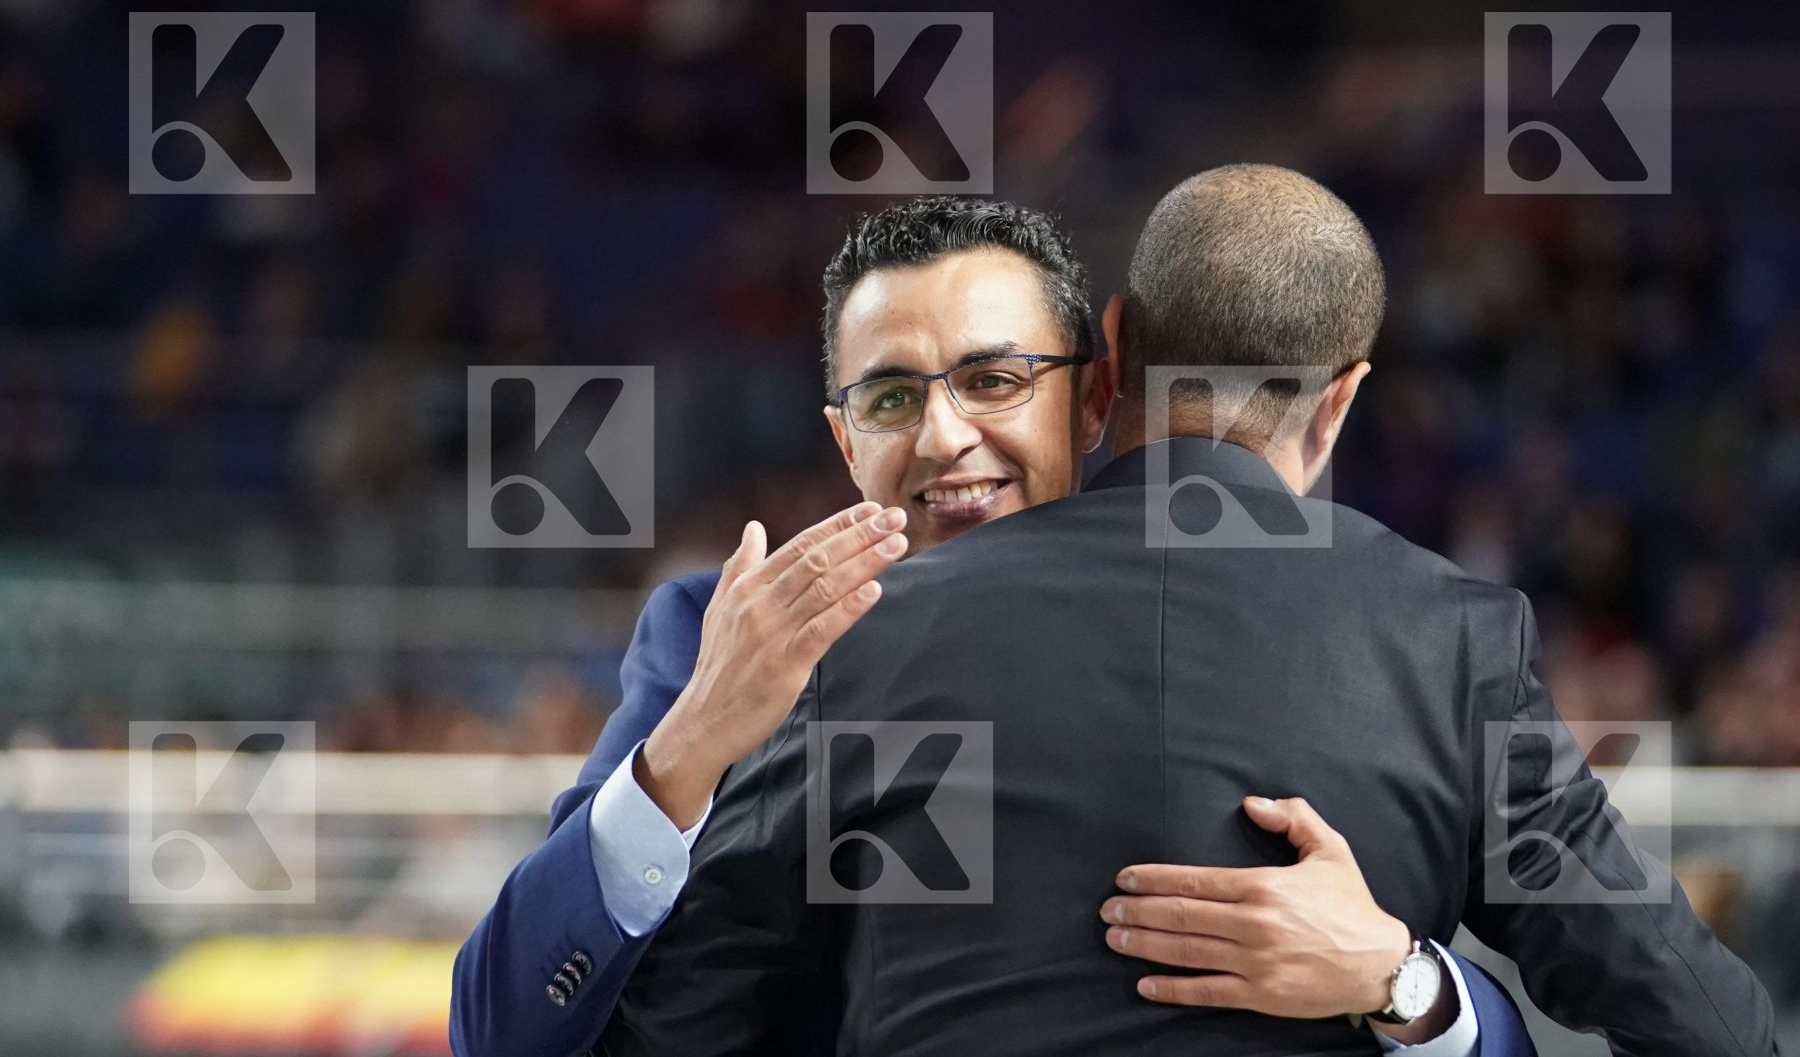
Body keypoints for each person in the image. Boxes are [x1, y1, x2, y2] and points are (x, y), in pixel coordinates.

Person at [595, 171, 1777, 1055]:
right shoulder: (1453, 640)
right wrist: (1409, 984)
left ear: (1113, 346)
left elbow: (670, 1022)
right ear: (1347, 391)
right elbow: (1712, 1028)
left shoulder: (864, 630)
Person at [451, 197, 1534, 1057]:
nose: (943, 437)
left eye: (994, 379)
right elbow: (502, 1031)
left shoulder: (1305, 642)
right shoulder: (714, 637)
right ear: (842, 440)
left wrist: (1410, 985)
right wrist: (688, 749)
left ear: (1097, 397)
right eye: (888, 401)